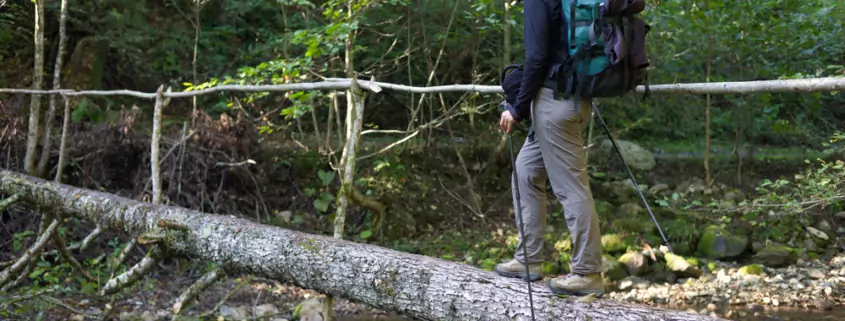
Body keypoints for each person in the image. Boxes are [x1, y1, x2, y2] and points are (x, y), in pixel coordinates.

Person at [495, 0, 605, 297]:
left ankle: (588, 272)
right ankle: (528, 259)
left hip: (554, 105)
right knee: (526, 171)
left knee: (571, 187)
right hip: (566, 100)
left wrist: (517, 110)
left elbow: (536, 58)